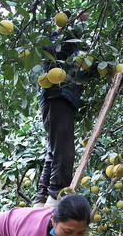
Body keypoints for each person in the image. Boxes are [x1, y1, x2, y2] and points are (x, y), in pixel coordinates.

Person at [34, 12, 91, 208]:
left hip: (59, 99)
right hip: (57, 96)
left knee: (54, 151)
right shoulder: (58, 41)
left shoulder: (72, 48)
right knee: (64, 151)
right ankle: (54, 198)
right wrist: (73, 21)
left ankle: (41, 200)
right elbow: (57, 48)